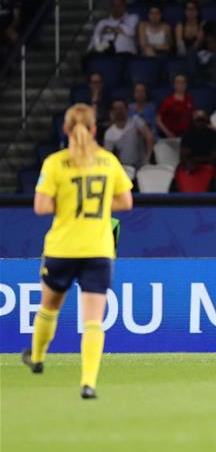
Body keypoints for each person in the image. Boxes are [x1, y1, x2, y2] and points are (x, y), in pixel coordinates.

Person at [22, 104, 134, 399]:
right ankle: (88, 383)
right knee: (93, 320)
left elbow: (41, 206)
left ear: (66, 129)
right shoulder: (108, 162)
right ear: (95, 129)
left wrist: (70, 205)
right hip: (98, 248)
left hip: (63, 247)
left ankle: (37, 357)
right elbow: (125, 202)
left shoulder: (56, 162)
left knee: (49, 307)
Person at [103, 99, 153, 168]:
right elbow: (108, 155)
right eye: (116, 109)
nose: (119, 111)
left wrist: (148, 157)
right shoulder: (109, 133)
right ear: (112, 112)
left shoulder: (136, 121)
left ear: (127, 109)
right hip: (124, 167)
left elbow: (149, 136)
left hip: (141, 165)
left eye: (121, 108)